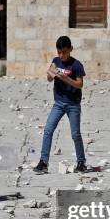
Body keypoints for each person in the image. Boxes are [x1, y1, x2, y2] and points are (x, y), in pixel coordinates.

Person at [34, 36, 87, 174]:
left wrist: (66, 78)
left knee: (75, 134)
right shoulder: (56, 61)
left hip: (73, 104)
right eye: (59, 52)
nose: (61, 55)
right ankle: (43, 162)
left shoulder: (77, 65)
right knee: (48, 130)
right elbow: (48, 78)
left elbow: (79, 84)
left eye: (64, 52)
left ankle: (81, 162)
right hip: (58, 103)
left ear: (70, 49)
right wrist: (52, 74)